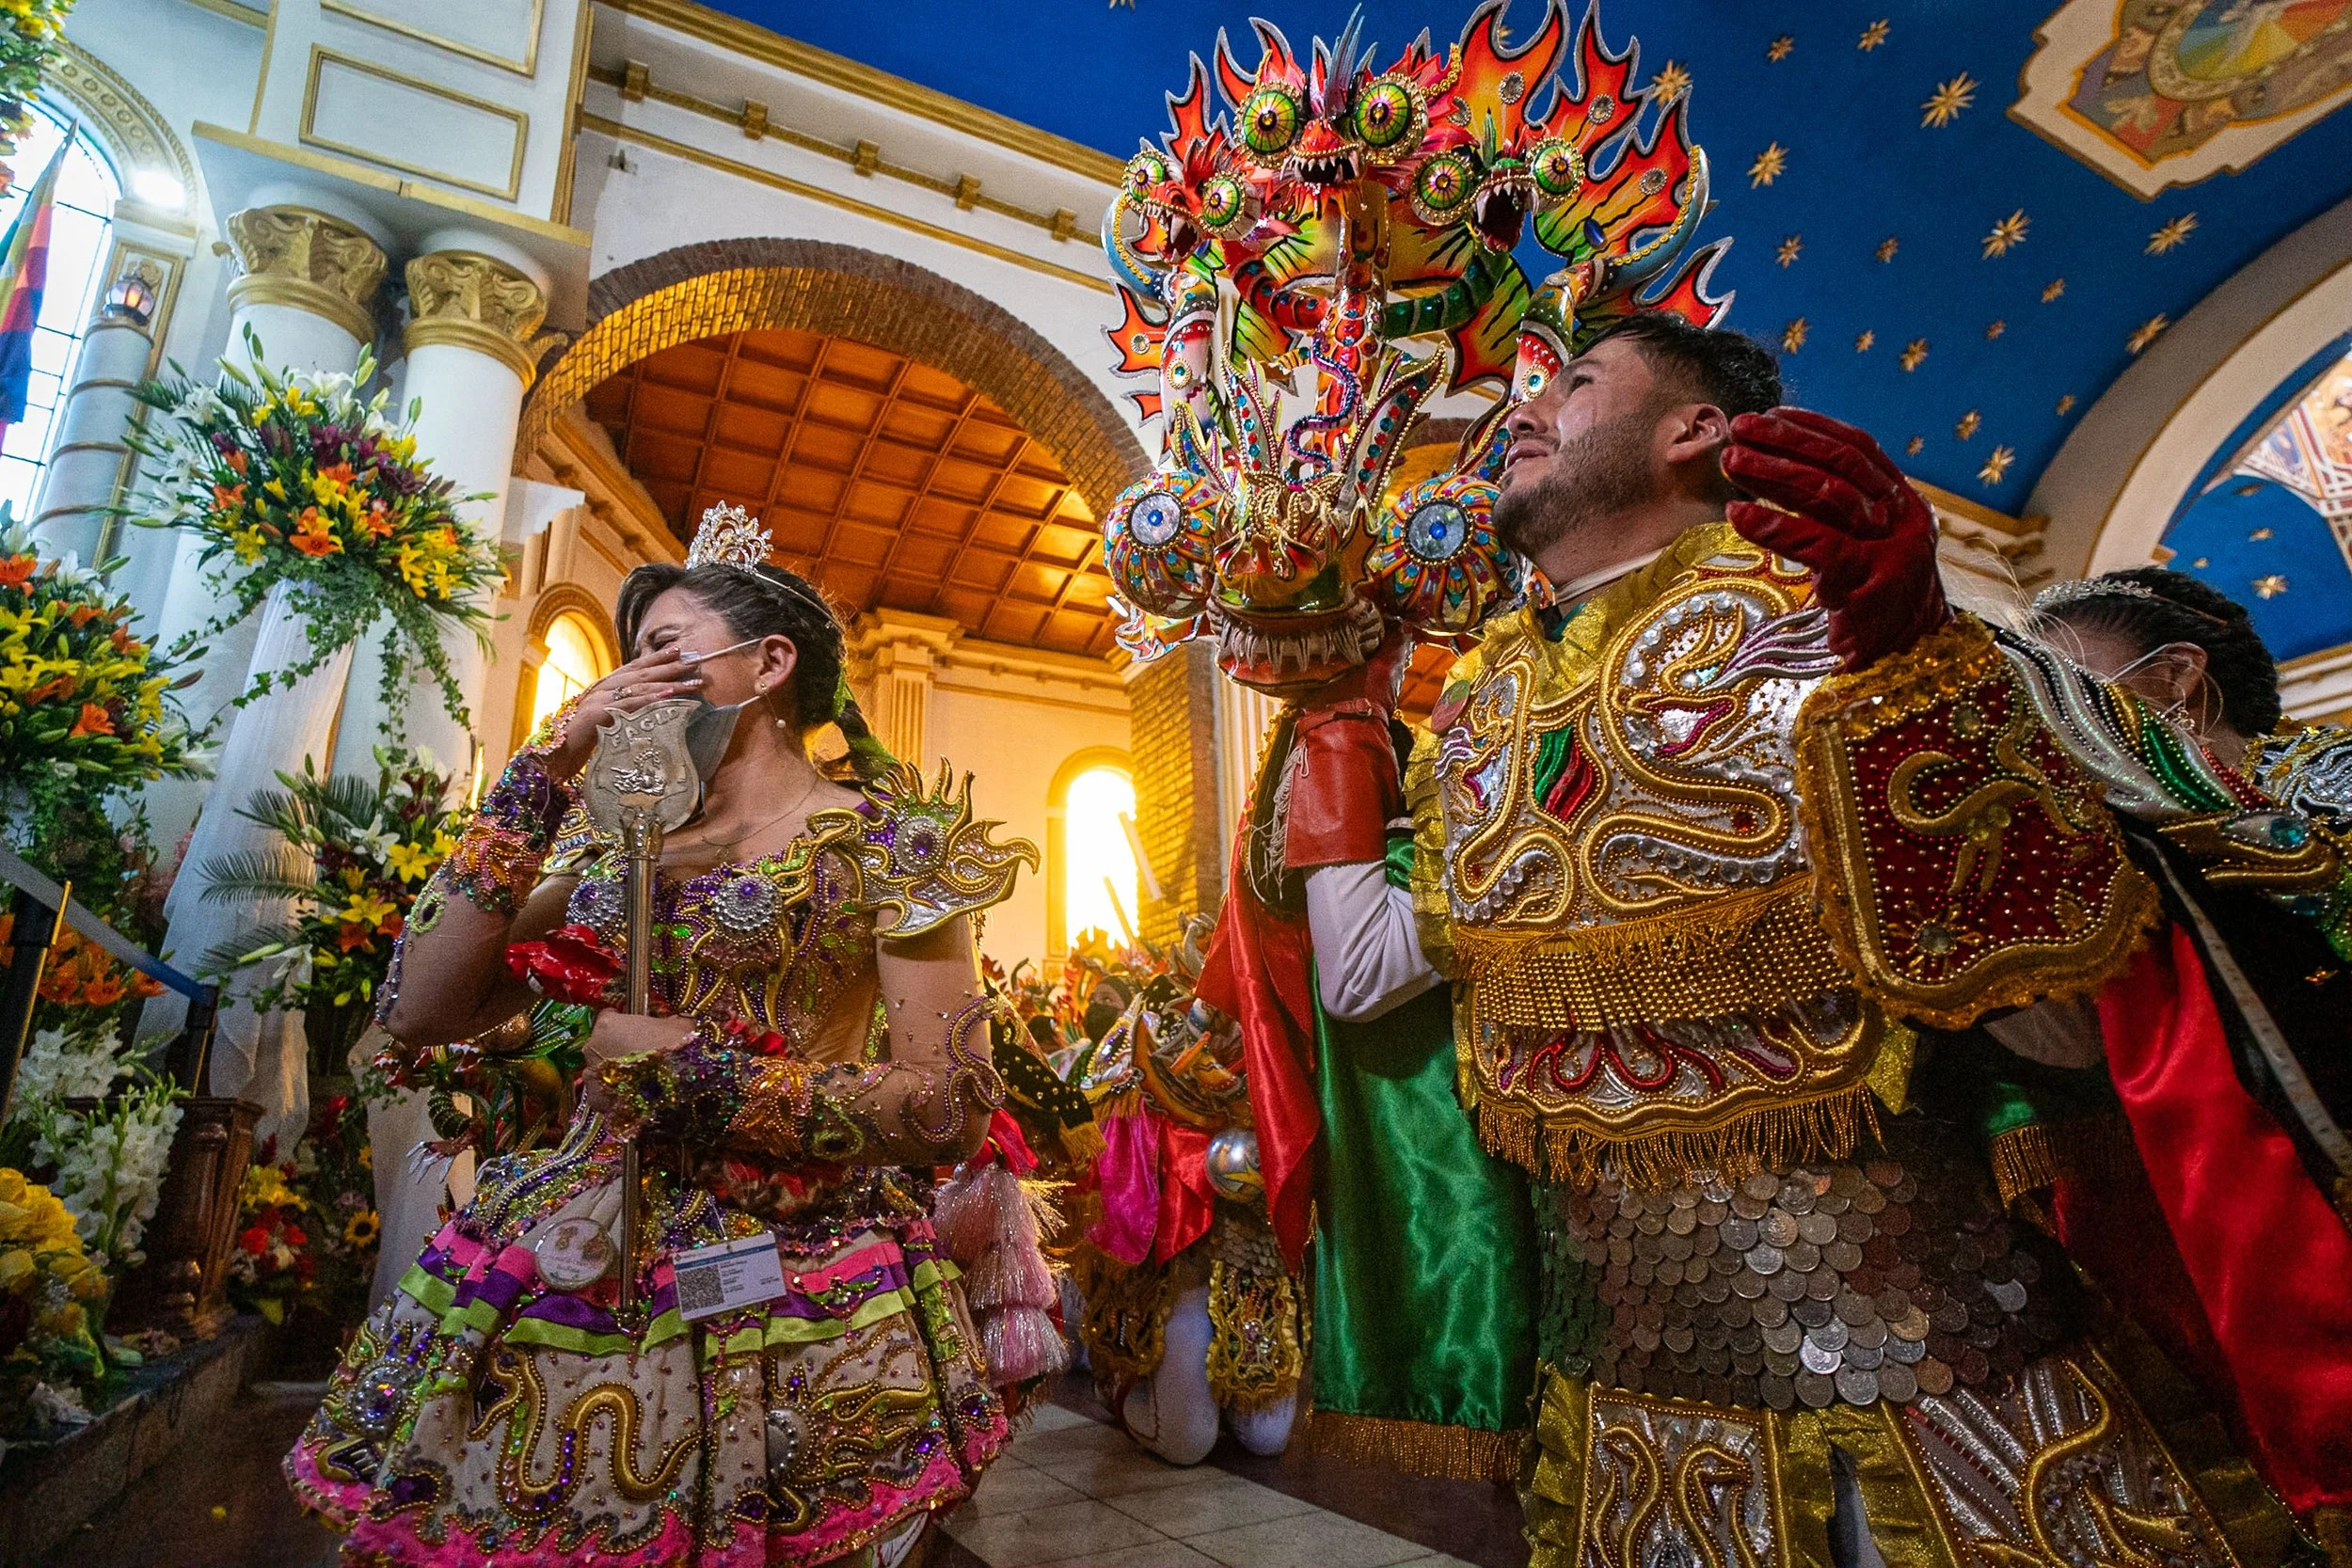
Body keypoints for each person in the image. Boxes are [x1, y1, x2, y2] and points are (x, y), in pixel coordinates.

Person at [1280, 311, 2348, 1564]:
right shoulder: (1478, 709)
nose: (1519, 412)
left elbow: (2068, 1035)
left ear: (1696, 429)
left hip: (1948, 1392)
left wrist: (1917, 698)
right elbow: (1365, 975)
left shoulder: (1846, 627)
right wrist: (1337, 721)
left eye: (1571, 383)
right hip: (1624, 1430)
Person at [285, 504, 1032, 1567]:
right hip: (580, 1249)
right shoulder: (601, 840)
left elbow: (951, 1104)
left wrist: (688, 1071)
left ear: (770, 662)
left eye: (661, 653)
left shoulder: (888, 842)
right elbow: (421, 1006)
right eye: (621, 667)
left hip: (795, 1265)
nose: (624, 688)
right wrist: (548, 762)